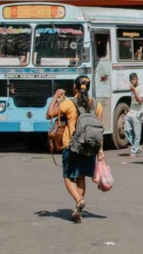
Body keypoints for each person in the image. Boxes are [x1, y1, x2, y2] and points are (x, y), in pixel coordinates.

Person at [46, 76, 103, 223]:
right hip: (90, 146)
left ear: (74, 87)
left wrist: (56, 96)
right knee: (81, 177)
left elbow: (49, 114)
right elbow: (100, 130)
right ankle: (78, 209)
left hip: (71, 145)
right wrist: (100, 151)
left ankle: (78, 200)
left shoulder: (69, 103)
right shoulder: (97, 105)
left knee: (67, 177)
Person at [125, 73, 143, 157]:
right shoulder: (133, 88)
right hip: (131, 111)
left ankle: (134, 150)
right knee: (127, 130)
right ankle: (137, 147)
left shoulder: (141, 88)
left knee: (137, 133)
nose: (132, 81)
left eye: (133, 80)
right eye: (131, 80)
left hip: (138, 112)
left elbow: (140, 101)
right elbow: (132, 100)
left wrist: (134, 90)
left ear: (137, 79)